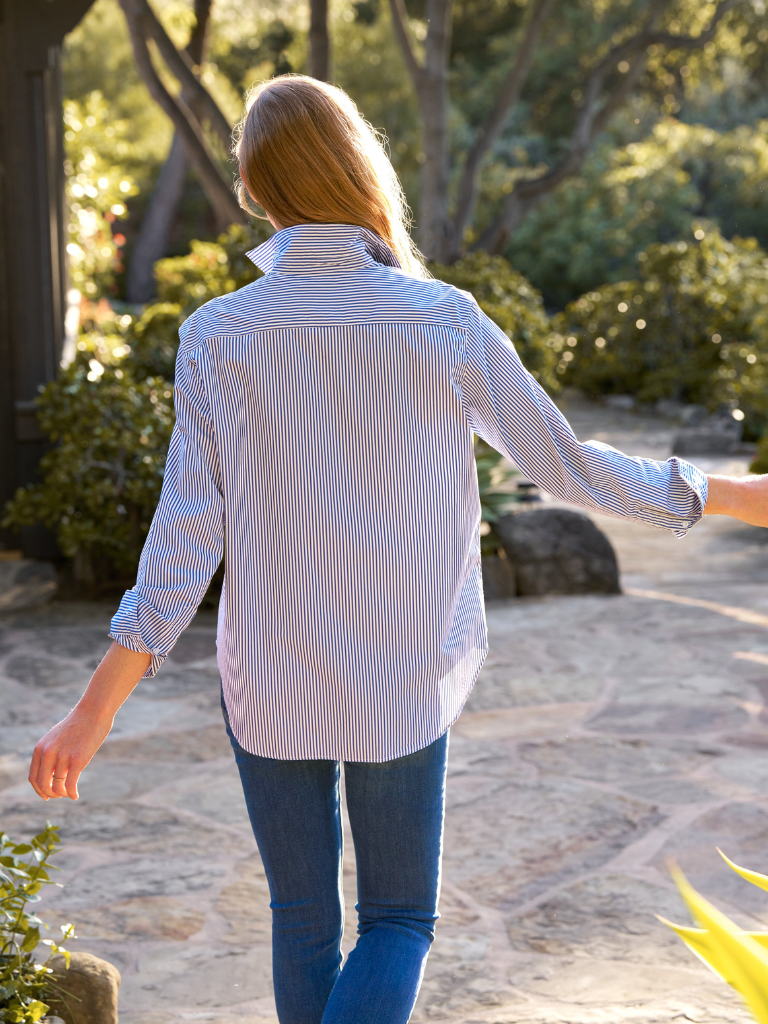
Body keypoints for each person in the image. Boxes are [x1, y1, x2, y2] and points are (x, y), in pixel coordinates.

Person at [28, 75, 768, 1024]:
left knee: (300, 920)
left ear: (254, 186)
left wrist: (92, 714)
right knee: (399, 920)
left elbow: (185, 541)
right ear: (360, 168)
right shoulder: (441, 319)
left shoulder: (217, 337)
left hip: (272, 678)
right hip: (404, 675)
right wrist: (730, 493)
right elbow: (566, 465)